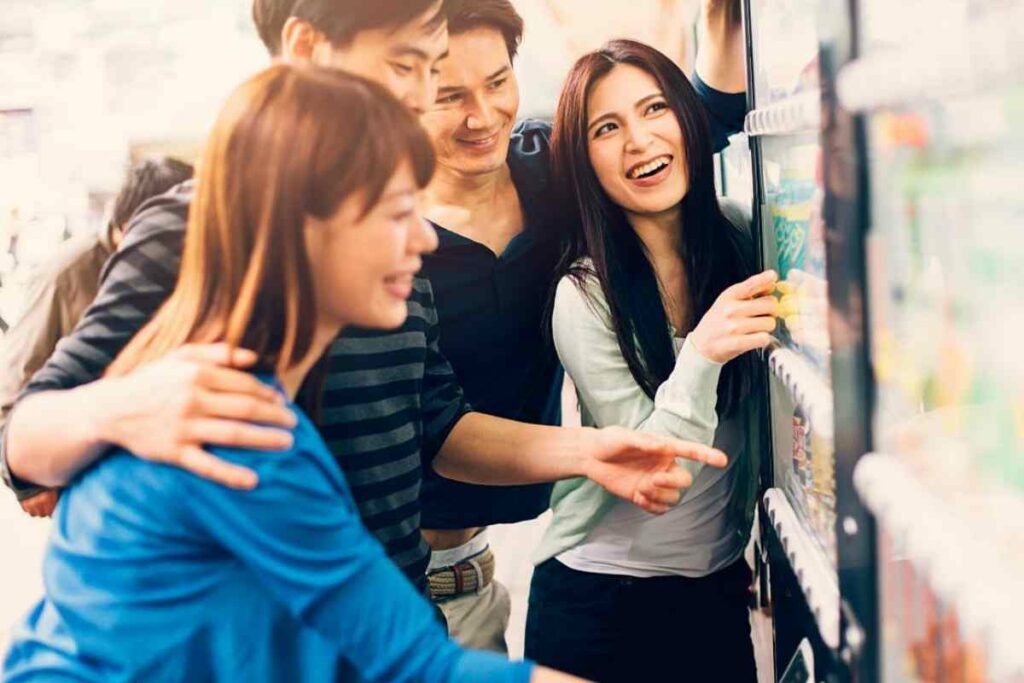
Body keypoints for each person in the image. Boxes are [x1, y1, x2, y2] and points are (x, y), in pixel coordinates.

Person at [0, 0, 720, 601]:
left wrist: (594, 450)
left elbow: (438, 427)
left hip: (394, 612)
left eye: (431, 68)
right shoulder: (193, 225)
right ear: (306, 48)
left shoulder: (395, 246)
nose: (422, 96)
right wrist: (123, 407)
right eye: (409, 67)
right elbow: (25, 444)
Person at [3, 64, 605, 683]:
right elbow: (418, 664)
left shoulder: (262, 403)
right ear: (302, 227)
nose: (425, 239)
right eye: (395, 213)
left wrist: (590, 449)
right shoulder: (238, 432)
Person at [417, 0, 749, 651]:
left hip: (481, 570)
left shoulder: (548, 169)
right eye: (449, 95)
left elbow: (687, 125)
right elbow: (440, 430)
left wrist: (722, 18)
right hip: (389, 567)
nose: (482, 116)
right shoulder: (384, 240)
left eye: (496, 83)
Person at [523, 39, 780, 682]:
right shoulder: (582, 294)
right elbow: (657, 480)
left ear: (688, 122)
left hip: (716, 589)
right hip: (598, 602)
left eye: (654, 108)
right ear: (584, 162)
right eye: (607, 128)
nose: (638, 140)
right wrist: (701, 353)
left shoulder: (744, 235)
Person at [0, 157, 193, 518]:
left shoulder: (191, 262)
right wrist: (29, 481)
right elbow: (14, 378)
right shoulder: (68, 273)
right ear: (129, 226)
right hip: (91, 476)